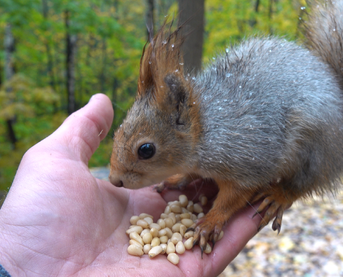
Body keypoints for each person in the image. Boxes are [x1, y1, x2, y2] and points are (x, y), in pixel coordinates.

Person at [0, 94, 260, 276]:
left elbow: (246, 176)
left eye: (145, 150)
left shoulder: (220, 150)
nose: (115, 180)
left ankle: (283, 193)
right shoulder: (194, 152)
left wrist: (219, 214)